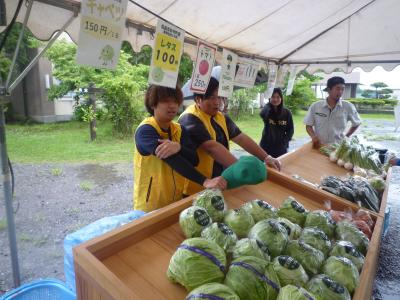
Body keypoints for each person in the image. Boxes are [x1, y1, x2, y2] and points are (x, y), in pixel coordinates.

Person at [178, 77, 281, 195]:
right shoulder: (189, 119)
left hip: (219, 182)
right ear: (198, 99)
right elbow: (211, 147)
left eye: (219, 97)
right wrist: (242, 168)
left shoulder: (220, 116)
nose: (217, 102)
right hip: (197, 187)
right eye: (212, 97)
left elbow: (240, 138)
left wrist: (266, 157)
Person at [133, 85, 227, 212]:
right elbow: (171, 159)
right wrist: (204, 181)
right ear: (153, 103)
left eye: (175, 101)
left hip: (176, 201)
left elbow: (194, 159)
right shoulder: (146, 130)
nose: (172, 105)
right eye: (166, 101)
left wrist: (179, 147)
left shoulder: (179, 129)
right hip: (150, 206)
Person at [304, 76, 361, 148]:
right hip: (319, 146)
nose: (340, 92)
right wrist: (313, 137)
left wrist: (347, 136)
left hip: (338, 147)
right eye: (337, 89)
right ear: (328, 90)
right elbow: (308, 125)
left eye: (342, 89)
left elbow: (357, 123)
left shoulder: (348, 106)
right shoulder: (316, 106)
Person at [259, 87, 294, 157]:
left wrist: (284, 141)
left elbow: (290, 130)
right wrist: (269, 105)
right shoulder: (267, 109)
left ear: (281, 98)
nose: (275, 99)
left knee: (279, 166)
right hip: (266, 146)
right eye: (273, 97)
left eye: (278, 97)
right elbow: (262, 114)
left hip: (281, 147)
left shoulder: (287, 113)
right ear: (269, 98)